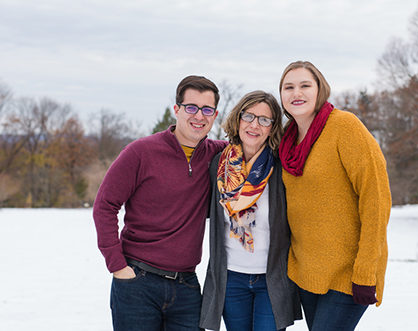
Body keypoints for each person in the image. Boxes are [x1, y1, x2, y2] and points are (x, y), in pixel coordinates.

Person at [94, 75, 227, 330]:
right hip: (137, 283)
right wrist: (117, 266)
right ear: (176, 110)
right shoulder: (141, 152)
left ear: (215, 115)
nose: (199, 116)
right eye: (191, 107)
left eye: (207, 110)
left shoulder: (217, 154)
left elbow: (255, 146)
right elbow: (105, 205)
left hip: (187, 285)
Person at [277, 61, 391, 330]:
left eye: (305, 85)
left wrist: (365, 271)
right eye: (288, 87)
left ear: (320, 90)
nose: (297, 93)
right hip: (307, 273)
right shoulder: (286, 140)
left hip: (348, 274)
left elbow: (376, 199)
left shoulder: (344, 127)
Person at [199, 91, 302, 330]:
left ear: (272, 127)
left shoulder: (280, 166)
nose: (255, 125)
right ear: (238, 118)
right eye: (249, 116)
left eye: (265, 120)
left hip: (272, 278)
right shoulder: (218, 164)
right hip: (230, 278)